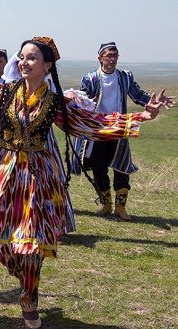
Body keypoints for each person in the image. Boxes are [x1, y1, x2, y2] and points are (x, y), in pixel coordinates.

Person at [0, 37, 163, 328]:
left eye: (32, 58)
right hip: (0, 171)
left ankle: (29, 299)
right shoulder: (4, 93)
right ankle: (20, 274)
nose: (23, 62)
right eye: (22, 57)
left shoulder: (56, 102)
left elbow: (92, 123)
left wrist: (141, 116)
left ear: (47, 65)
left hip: (37, 176)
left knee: (32, 243)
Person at [72, 42, 176, 220]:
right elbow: (84, 101)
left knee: (121, 167)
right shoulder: (90, 78)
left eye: (115, 55)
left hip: (121, 126)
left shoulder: (125, 76)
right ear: (100, 58)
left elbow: (137, 95)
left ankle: (121, 207)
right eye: (109, 56)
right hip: (99, 129)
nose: (112, 59)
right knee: (98, 168)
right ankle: (105, 204)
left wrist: (153, 102)